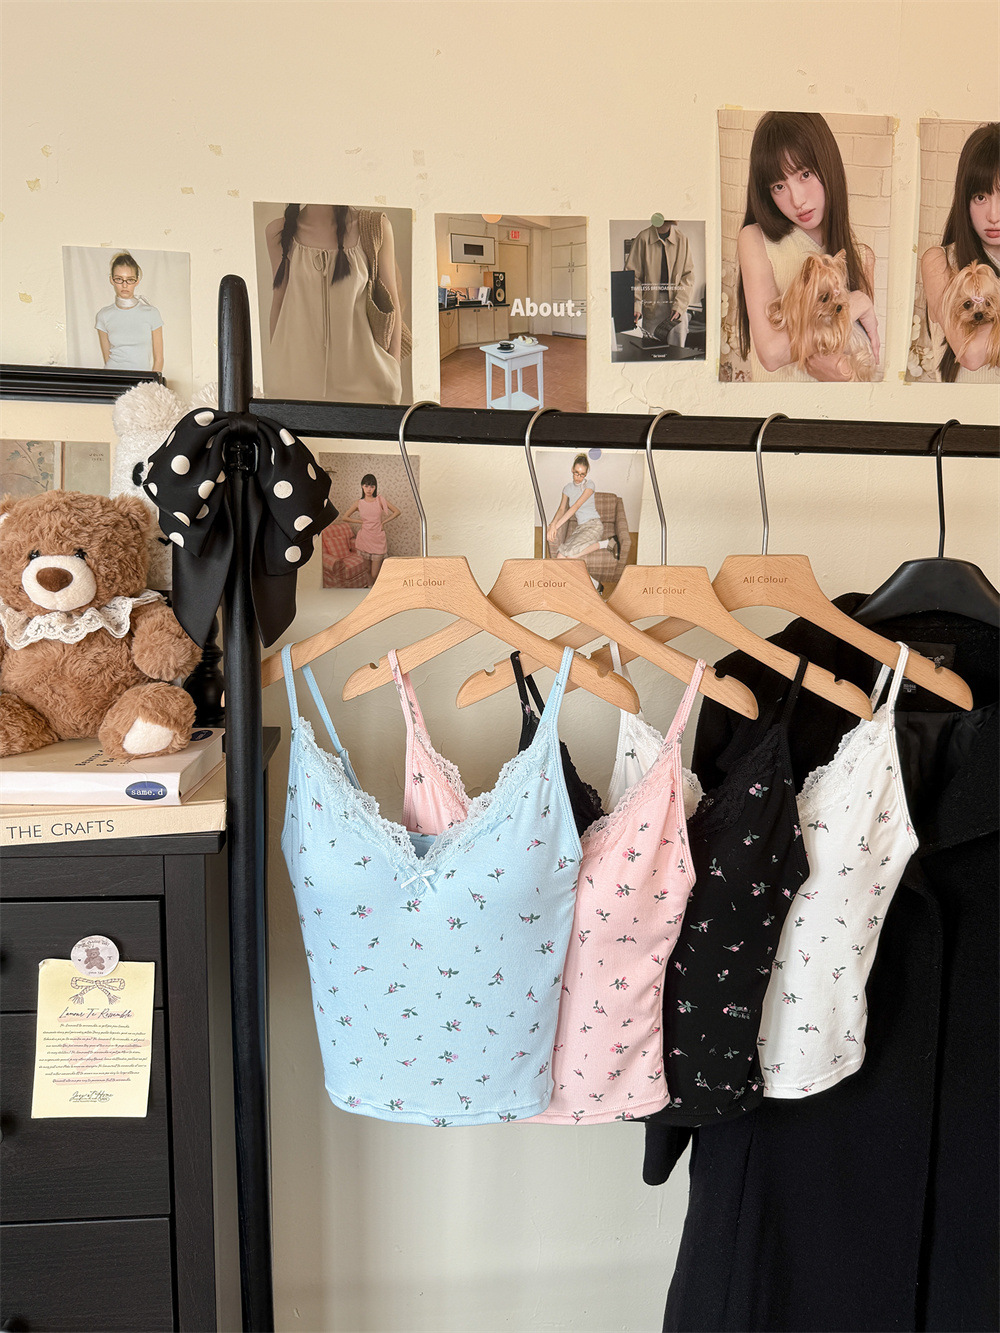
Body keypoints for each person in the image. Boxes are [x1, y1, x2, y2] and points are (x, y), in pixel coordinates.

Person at [735, 111, 880, 382]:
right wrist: (856, 302)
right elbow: (772, 353)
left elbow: (861, 367)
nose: (797, 200)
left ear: (828, 166)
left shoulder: (861, 257)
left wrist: (842, 373)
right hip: (777, 407)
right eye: (779, 186)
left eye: (805, 174)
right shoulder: (755, 240)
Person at [265, 204, 404, 403]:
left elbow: (392, 300)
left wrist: (394, 367)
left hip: (367, 380)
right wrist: (277, 367)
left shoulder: (376, 227)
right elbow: (279, 302)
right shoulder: (277, 231)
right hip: (295, 380)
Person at [920, 122, 1000, 383]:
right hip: (962, 409)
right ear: (964, 199)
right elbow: (971, 355)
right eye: (980, 197)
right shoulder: (940, 261)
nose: (994, 215)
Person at [625, 218, 695, 345]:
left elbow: (688, 277)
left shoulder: (682, 240)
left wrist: (679, 306)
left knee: (677, 352)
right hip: (652, 306)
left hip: (677, 306)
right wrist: (636, 304)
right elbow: (633, 276)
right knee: (651, 350)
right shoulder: (643, 238)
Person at [95, 252, 163, 373]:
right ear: (112, 280)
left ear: (137, 281)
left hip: (142, 380)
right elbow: (107, 358)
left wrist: (151, 382)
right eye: (119, 279)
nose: (124, 285)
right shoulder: (103, 315)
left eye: (130, 280)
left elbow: (159, 359)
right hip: (113, 377)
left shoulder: (151, 313)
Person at [546, 455, 619, 563]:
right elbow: (561, 509)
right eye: (576, 473)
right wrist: (552, 524)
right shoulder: (567, 488)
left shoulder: (589, 485)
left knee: (571, 556)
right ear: (572, 469)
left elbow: (576, 506)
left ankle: (607, 542)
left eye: (582, 474)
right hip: (580, 528)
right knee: (560, 556)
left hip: (594, 525)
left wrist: (555, 526)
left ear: (586, 474)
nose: (578, 477)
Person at [341, 474, 400, 585]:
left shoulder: (380, 500)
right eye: (366, 486)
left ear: (375, 487)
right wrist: (360, 522)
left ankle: (376, 589)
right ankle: (369, 589)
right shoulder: (359, 503)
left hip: (377, 539)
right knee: (367, 570)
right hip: (365, 539)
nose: (369, 489)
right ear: (362, 486)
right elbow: (345, 517)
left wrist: (383, 522)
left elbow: (397, 511)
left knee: (374, 573)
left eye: (372, 486)